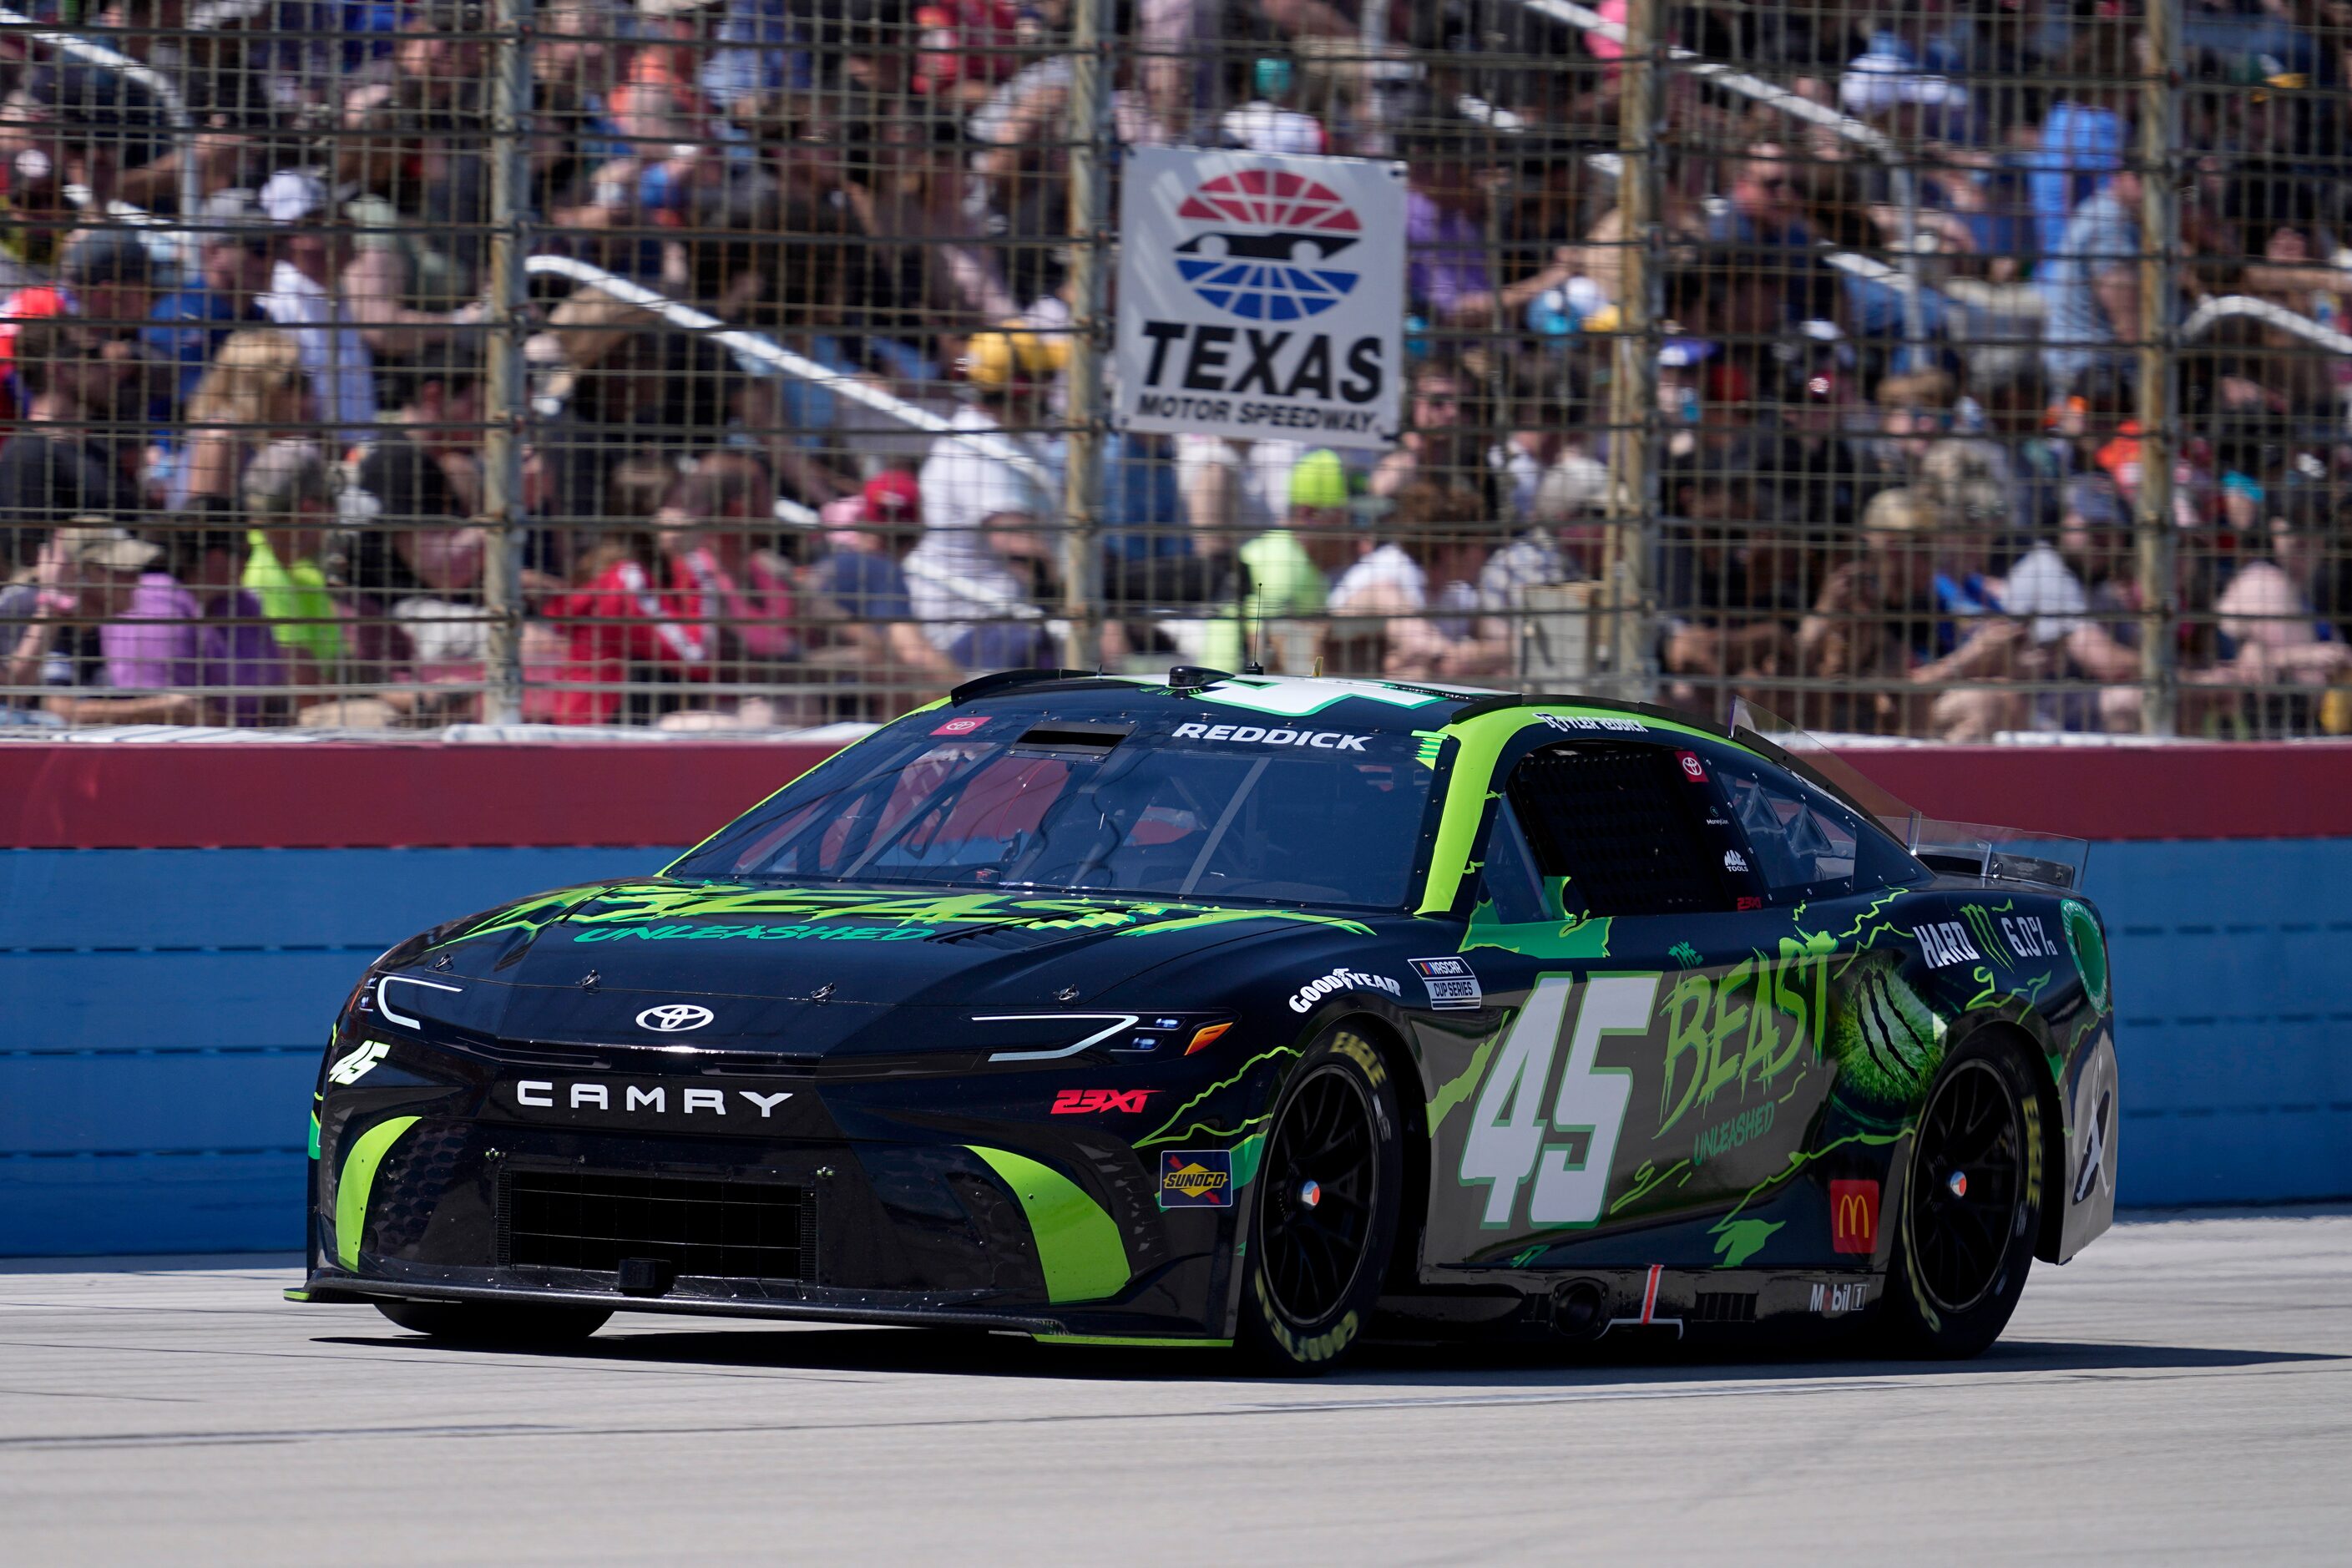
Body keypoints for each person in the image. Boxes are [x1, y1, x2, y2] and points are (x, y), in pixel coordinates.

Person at [905, 327, 1062, 669]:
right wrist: (1083, 600)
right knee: (1080, 649)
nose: (1052, 389)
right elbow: (1020, 549)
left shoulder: (1010, 436)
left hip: (1002, 618)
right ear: (1019, 387)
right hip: (971, 627)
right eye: (1046, 377)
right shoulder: (980, 447)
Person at [0, 524, 202, 725]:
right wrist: (158, 708)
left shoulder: (92, 624)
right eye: (123, 570)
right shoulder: (27, 606)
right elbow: (60, 710)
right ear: (82, 573)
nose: (136, 582)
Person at [101, 524, 291, 726]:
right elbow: (167, 713)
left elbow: (276, 694)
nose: (249, 563)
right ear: (217, 558)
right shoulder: (155, 608)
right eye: (246, 553)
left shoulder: (240, 604)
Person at [1199, 448, 1355, 674]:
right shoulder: (1284, 566)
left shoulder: (1294, 557)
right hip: (1230, 689)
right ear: (1308, 515)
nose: (1349, 532)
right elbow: (1264, 647)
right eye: (1342, 519)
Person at [0, 317, 138, 569]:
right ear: (59, 369)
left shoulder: (98, 450)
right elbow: (29, 563)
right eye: (94, 355)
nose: (110, 367)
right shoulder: (27, 454)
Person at [143, 190, 276, 413]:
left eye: (275, 247)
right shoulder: (178, 315)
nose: (271, 260)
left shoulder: (262, 319)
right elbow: (191, 407)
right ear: (214, 252)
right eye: (259, 249)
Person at [176, 328, 313, 511]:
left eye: (304, 381)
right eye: (291, 381)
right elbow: (204, 524)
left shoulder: (274, 436)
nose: (302, 395)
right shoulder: (220, 437)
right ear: (257, 386)